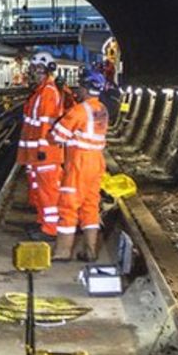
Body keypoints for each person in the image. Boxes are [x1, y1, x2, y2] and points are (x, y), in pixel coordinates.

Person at [50, 69, 109, 261]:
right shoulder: (102, 109)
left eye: (80, 86)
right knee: (90, 206)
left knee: (68, 205)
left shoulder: (79, 110)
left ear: (85, 88)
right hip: (97, 162)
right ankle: (90, 251)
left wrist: (54, 126)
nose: (78, 90)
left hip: (79, 163)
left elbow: (56, 136)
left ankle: (62, 252)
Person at [17, 51, 64, 240]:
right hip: (36, 152)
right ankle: (42, 221)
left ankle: (50, 229)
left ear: (47, 70)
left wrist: (42, 149)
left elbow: (46, 123)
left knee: (48, 190)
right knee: (39, 189)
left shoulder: (49, 93)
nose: (33, 73)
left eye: (37, 69)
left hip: (45, 152)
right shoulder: (40, 92)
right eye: (33, 69)